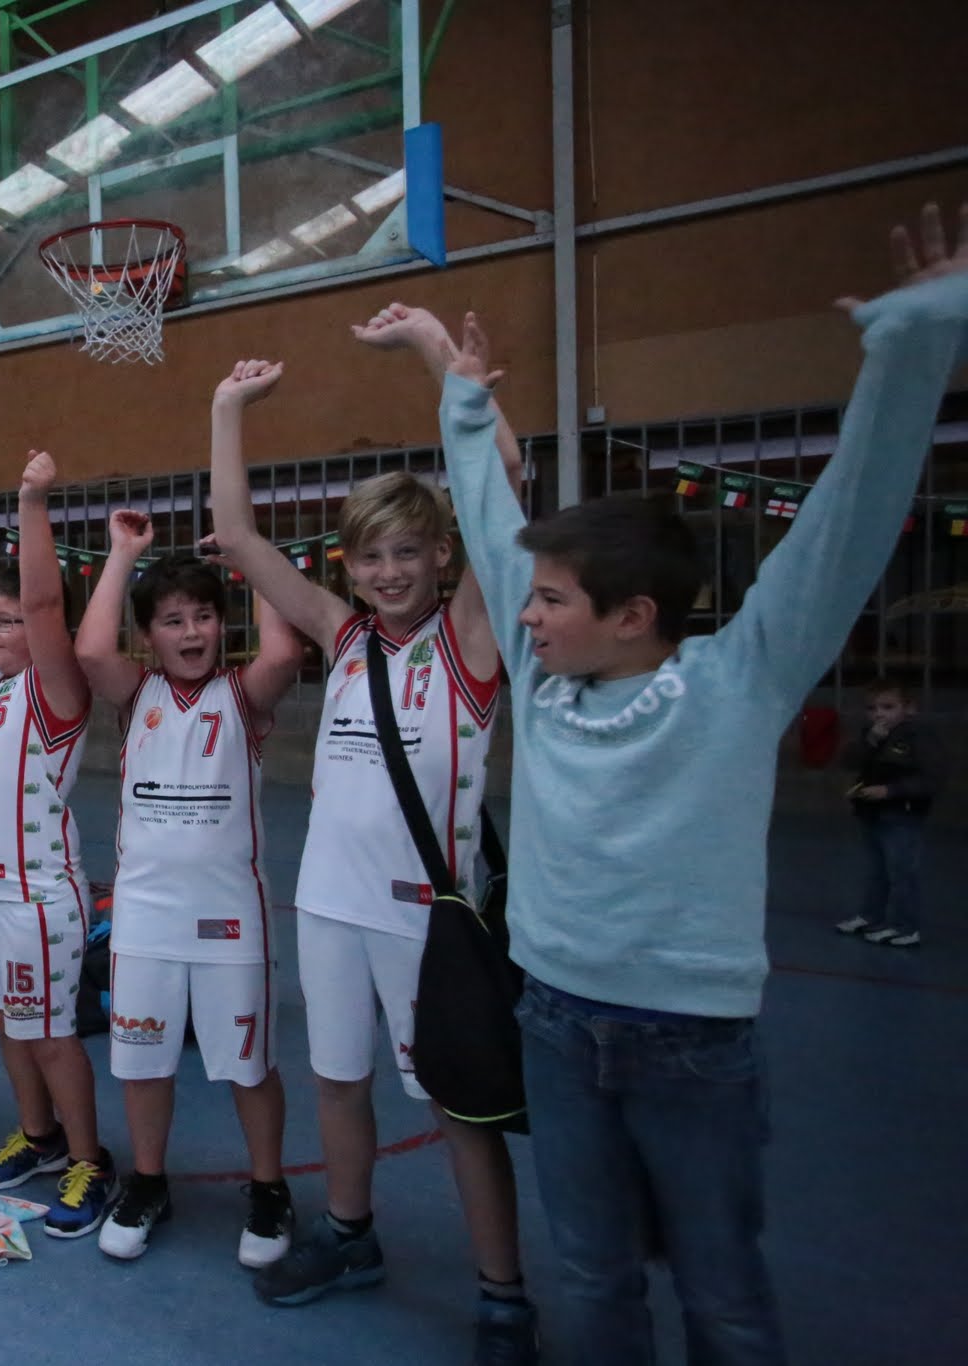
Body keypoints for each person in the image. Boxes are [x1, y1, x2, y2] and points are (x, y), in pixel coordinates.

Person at [433, 202, 967, 1365]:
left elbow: (847, 524)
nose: (524, 617)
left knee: (720, 1291)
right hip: (555, 1019)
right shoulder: (541, 681)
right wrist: (462, 401)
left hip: (690, 1037)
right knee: (591, 1272)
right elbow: (486, 523)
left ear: (631, 616)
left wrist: (914, 343)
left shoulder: (739, 681)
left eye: (552, 600)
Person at [206, 330, 535, 1360]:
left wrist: (444, 362)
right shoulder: (343, 638)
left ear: (442, 555)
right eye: (369, 554)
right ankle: (350, 1234)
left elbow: (504, 484)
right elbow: (237, 535)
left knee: (459, 1107)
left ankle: (500, 1293)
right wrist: (226, 409)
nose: (387, 571)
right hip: (331, 907)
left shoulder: (470, 636)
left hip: (428, 922)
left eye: (407, 551)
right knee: (336, 1079)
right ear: (347, 564)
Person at [73, 510, 304, 1264]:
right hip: (144, 917)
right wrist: (122, 553)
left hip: (230, 919)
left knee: (247, 1064)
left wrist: (252, 553)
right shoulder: (134, 692)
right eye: (173, 620)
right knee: (142, 1060)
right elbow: (89, 646)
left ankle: (270, 1190)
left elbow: (283, 647)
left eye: (204, 615)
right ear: (151, 636)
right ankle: (147, 1181)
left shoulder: (244, 696)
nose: (192, 631)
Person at [0, 452, 116, 1238]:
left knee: (47, 1033)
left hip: (35, 895)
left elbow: (39, 599)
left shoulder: (55, 688)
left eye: (9, 622)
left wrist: (31, 500)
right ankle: (40, 1137)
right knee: (4, 1023)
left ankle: (89, 1160)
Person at [835, 677, 943, 947]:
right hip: (871, 813)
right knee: (876, 870)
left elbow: (932, 778)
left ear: (909, 708)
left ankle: (906, 927)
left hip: (902, 815)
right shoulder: (870, 734)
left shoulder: (920, 737)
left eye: (888, 707)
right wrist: (870, 741)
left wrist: (891, 791)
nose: (879, 714)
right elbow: (848, 761)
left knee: (902, 872)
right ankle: (871, 915)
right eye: (872, 708)